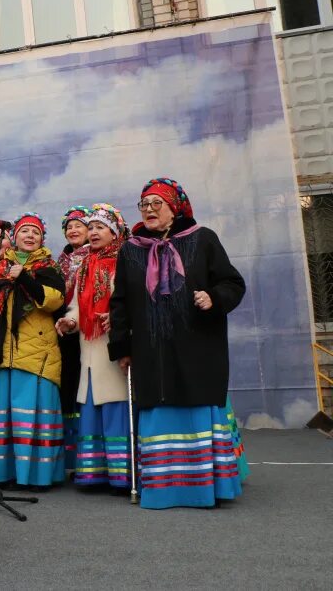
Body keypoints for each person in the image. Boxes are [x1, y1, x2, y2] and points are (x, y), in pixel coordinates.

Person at [109, 178, 246, 509]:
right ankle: (162, 489)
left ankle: (205, 488)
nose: (149, 210)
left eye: (158, 203)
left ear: (176, 208)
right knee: (158, 404)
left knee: (197, 402)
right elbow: (120, 302)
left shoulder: (203, 239)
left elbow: (232, 282)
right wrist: (121, 347)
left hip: (198, 344)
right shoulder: (131, 249)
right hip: (150, 350)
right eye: (144, 205)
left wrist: (213, 298)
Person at [0, 213, 66, 490]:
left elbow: (53, 301)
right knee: (3, 416)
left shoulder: (49, 267)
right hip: (2, 353)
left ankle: (36, 477)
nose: (30, 236)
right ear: (14, 237)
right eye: (24, 231)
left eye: (36, 232)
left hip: (36, 353)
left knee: (30, 415)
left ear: (42, 239)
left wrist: (25, 278)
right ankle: (2, 475)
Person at [55, 204, 132, 492]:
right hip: (88, 347)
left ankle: (121, 475)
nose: (94, 232)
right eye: (93, 227)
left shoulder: (124, 261)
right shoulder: (86, 264)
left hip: (113, 347)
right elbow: (76, 304)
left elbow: (132, 301)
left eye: (101, 227)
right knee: (90, 406)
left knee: (114, 406)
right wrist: (70, 321)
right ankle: (94, 474)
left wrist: (118, 318)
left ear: (115, 232)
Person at [57, 205, 91, 476]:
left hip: (90, 329)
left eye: (79, 225)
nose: (73, 230)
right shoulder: (61, 261)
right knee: (69, 387)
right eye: (69, 227)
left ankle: (89, 457)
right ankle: (71, 458)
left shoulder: (97, 255)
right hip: (65, 332)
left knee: (87, 388)